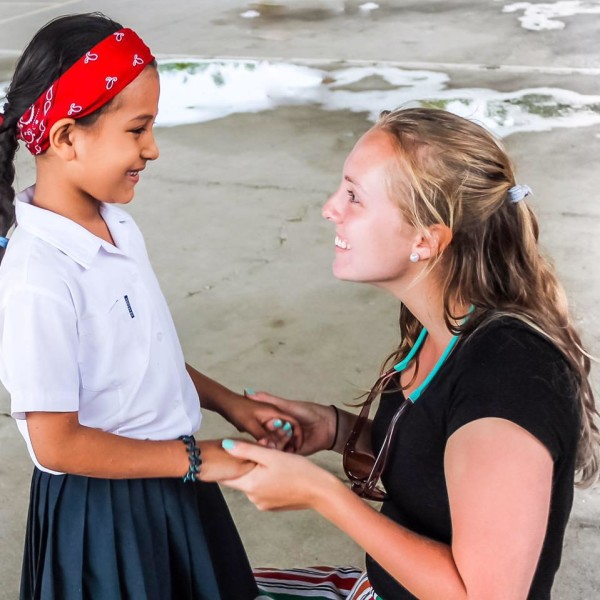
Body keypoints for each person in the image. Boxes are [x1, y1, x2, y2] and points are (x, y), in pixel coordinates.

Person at [220, 107, 600, 599]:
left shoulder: (507, 383)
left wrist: (321, 493)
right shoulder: (442, 324)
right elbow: (439, 474)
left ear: (425, 241)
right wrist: (336, 430)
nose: (330, 208)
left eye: (355, 196)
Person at [0, 12, 298, 600]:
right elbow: (56, 444)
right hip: (105, 514)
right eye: (137, 129)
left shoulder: (115, 224)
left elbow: (136, 353)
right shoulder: (39, 274)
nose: (153, 149)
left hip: (172, 479)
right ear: (65, 137)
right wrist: (199, 457)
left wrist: (229, 405)